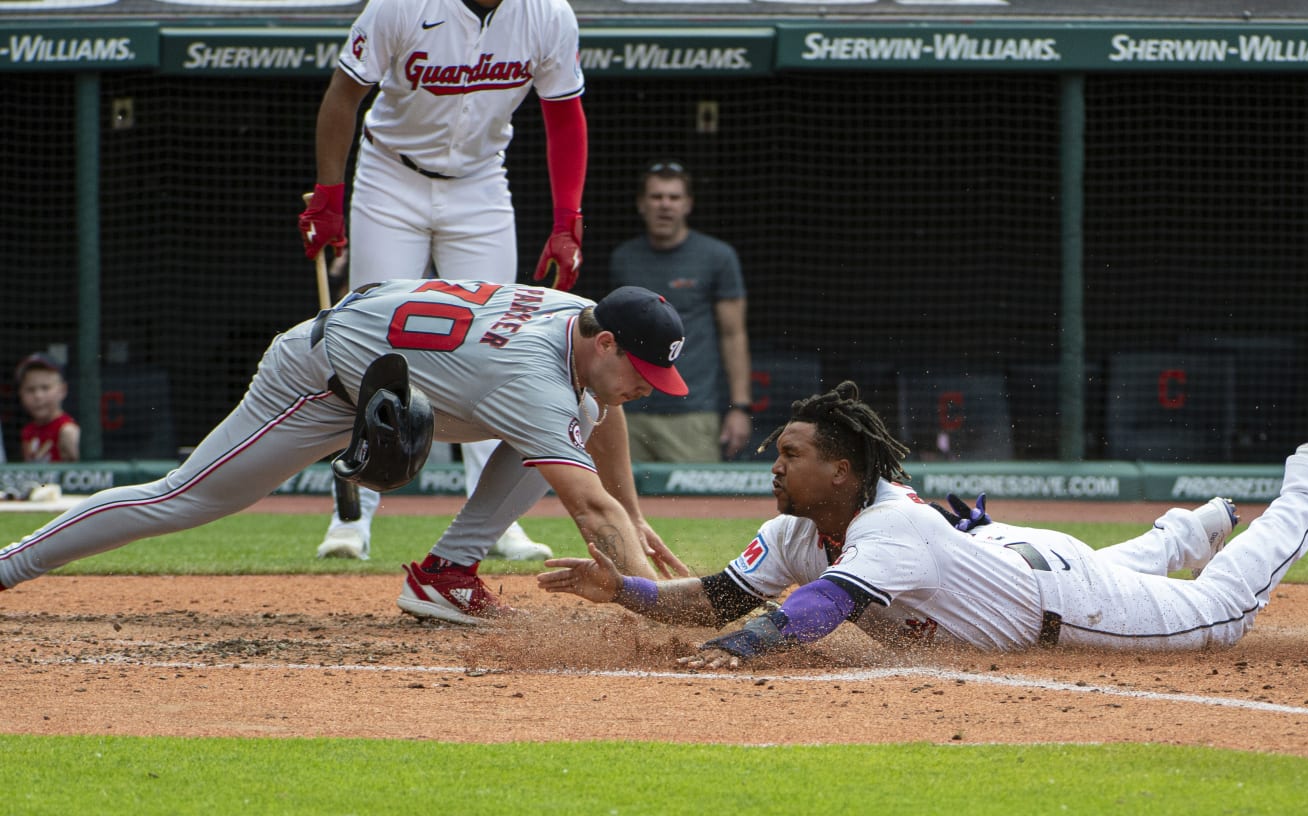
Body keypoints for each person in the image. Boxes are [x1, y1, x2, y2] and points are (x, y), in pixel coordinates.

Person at [537, 381, 1308, 666]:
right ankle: (1195, 522)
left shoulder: (888, 528)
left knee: (1225, 615)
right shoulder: (805, 531)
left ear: (841, 469)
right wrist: (628, 592)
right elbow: (720, 598)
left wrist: (733, 656)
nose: (774, 462)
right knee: (1119, 563)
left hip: (1071, 601)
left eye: (791, 453)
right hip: (1015, 557)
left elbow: (817, 614)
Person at [0, 280, 690, 626]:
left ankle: (444, 575)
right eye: (643, 373)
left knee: (584, 406)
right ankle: (9, 566)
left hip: (401, 375)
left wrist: (635, 513)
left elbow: (600, 413)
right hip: (317, 383)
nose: (647, 390)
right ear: (606, 344)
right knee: (182, 499)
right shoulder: (534, 379)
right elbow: (588, 507)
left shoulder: (578, 315)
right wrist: (665, 613)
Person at [297, 0, 589, 561]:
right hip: (390, 176)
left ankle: (496, 521)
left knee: (500, 345)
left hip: (480, 184)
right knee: (369, 340)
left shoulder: (547, 13)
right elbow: (343, 93)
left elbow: (564, 115)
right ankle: (352, 514)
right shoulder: (401, 6)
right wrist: (330, 195)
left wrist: (566, 222)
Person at [609, 160, 753, 461]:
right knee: (620, 504)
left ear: (688, 204)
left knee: (698, 507)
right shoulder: (622, 259)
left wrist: (740, 407)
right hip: (628, 408)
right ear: (641, 204)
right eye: (656, 197)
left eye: (674, 197)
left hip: (693, 412)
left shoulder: (717, 256)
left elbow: (733, 334)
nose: (665, 205)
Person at [14, 353, 80, 463]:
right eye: (30, 389)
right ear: (20, 393)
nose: (38, 396)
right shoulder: (27, 431)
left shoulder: (67, 431)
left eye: (45, 388)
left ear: (62, 390)